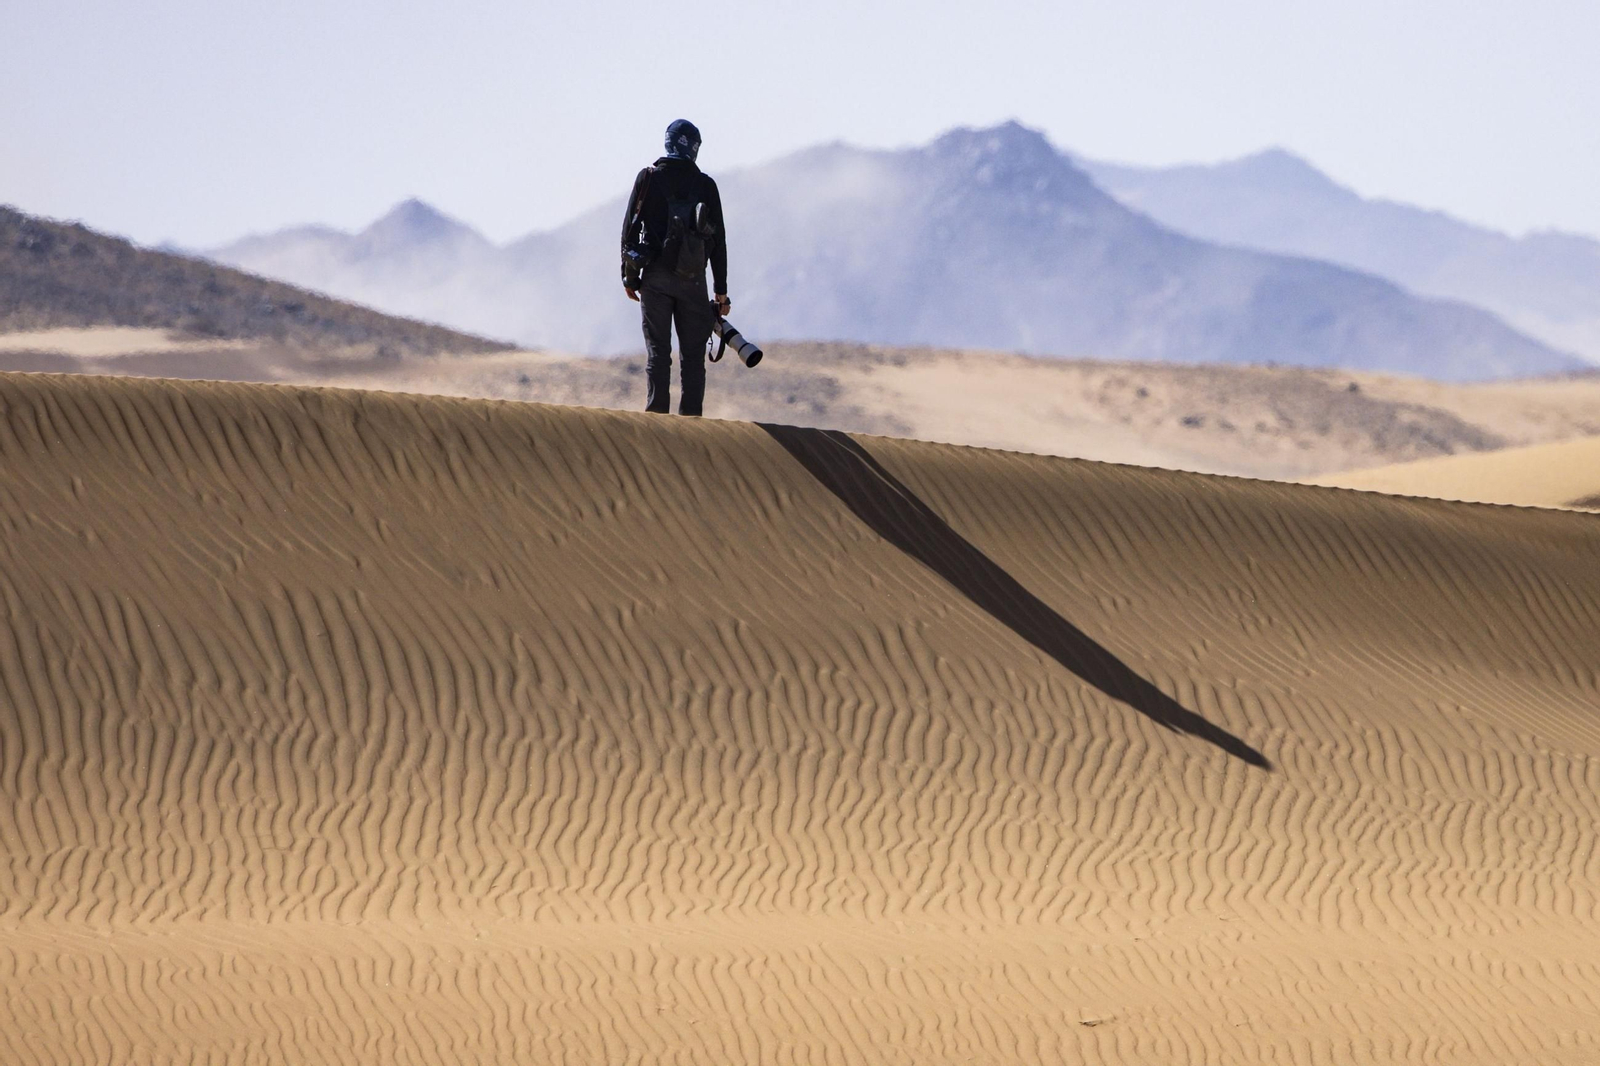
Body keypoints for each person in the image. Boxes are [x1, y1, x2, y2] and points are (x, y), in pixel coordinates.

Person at [620, 119, 730, 416]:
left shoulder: (648, 178)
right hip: (694, 283)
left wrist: (629, 277)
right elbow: (719, 243)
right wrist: (721, 293)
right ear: (694, 147)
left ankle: (657, 422)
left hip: (655, 279)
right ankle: (691, 426)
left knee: (659, 354)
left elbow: (629, 230)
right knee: (693, 358)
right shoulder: (706, 185)